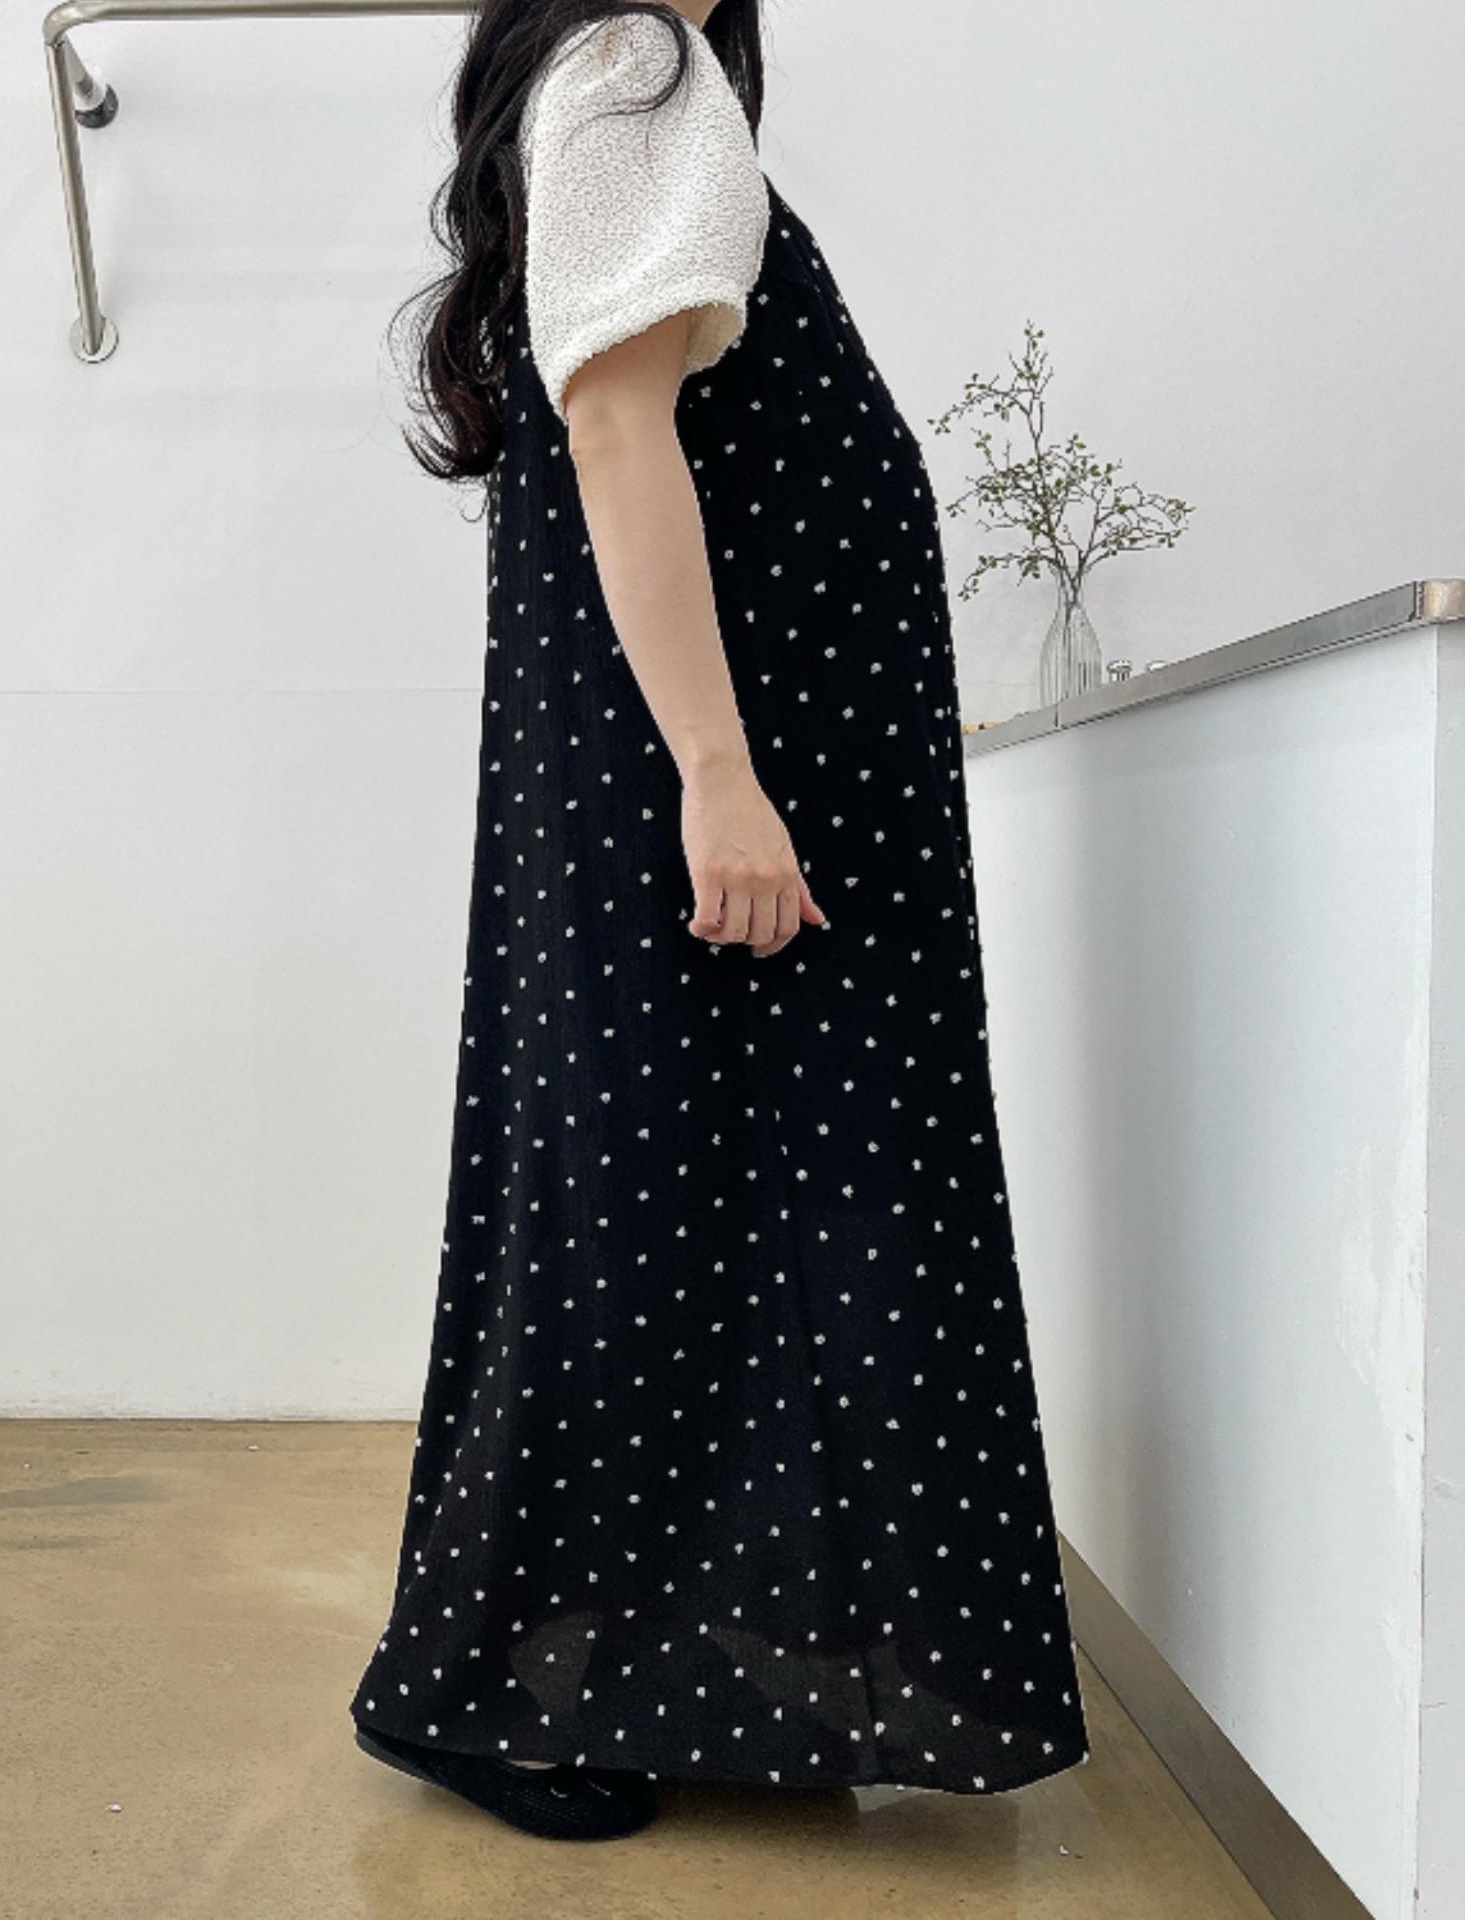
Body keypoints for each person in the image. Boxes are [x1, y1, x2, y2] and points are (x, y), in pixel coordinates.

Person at [348, 0, 1092, 1841]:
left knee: (705, 1204)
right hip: (728, 776)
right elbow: (617, 432)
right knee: (674, 1199)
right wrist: (718, 774)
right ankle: (491, 1691)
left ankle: (683, 1676)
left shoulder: (647, 82)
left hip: (758, 771)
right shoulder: (633, 69)